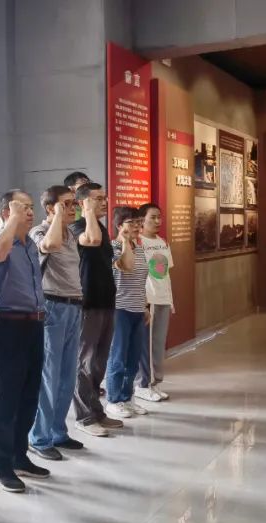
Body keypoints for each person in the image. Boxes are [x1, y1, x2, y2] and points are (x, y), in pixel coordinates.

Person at [0, 190, 51, 493]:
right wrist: (11, 219)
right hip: (9, 326)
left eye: (30, 207)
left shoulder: (30, 245)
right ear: (5, 213)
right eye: (22, 207)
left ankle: (19, 455)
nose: (29, 212)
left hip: (34, 325)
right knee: (6, 399)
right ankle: (0, 465)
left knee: (29, 396)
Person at [28, 185, 85, 461]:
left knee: (68, 374)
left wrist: (67, 218)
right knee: (49, 376)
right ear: (50, 208)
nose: (73, 208)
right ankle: (39, 437)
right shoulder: (40, 231)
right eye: (66, 204)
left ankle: (58, 431)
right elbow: (48, 246)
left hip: (74, 306)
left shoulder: (71, 233)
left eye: (74, 203)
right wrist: (58, 218)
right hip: (52, 307)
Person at [71, 182, 124, 438]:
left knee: (99, 361)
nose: (104, 202)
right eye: (98, 198)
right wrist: (88, 212)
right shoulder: (77, 227)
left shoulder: (100, 226)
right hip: (87, 304)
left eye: (105, 197)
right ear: (83, 203)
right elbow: (91, 241)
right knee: (84, 362)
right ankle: (84, 416)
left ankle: (96, 410)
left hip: (106, 302)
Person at [104, 206, 150, 419]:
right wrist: (124, 242)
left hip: (137, 309)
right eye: (131, 223)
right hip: (119, 309)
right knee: (118, 358)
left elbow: (142, 280)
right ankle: (113, 400)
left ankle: (127, 397)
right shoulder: (113, 248)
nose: (137, 227)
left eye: (138, 222)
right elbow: (128, 266)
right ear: (119, 225)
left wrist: (146, 306)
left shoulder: (139, 248)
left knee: (133, 358)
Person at [134, 203, 173, 402]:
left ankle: (154, 382)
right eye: (153, 217)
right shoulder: (137, 243)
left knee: (158, 344)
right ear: (142, 220)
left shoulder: (162, 242)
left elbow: (166, 273)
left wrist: (170, 300)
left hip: (163, 298)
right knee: (145, 345)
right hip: (148, 300)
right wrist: (142, 303)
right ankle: (142, 384)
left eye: (159, 217)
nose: (158, 221)